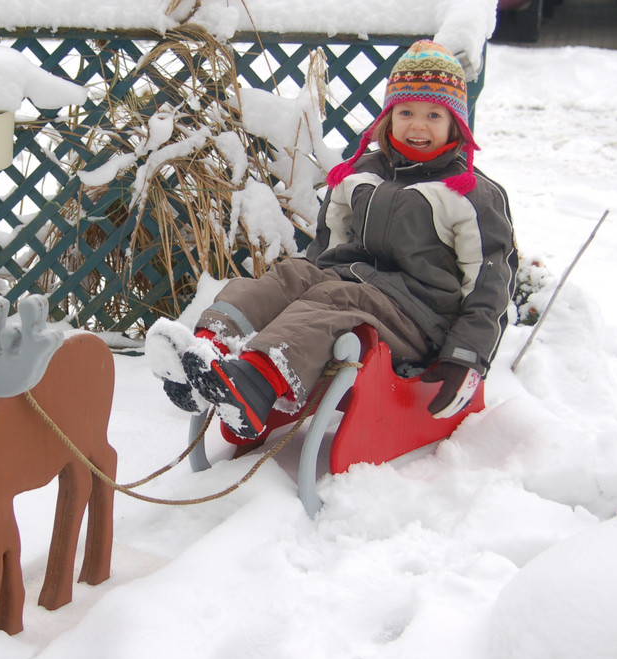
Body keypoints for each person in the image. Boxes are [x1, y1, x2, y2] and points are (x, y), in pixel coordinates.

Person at [146, 40, 518, 440]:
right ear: (388, 119)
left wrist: (464, 357)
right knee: (292, 275)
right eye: (406, 112)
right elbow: (328, 249)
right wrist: (306, 283)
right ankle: (206, 353)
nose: (418, 125)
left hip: (419, 320)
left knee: (336, 299)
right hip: (351, 288)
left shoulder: (469, 194)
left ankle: (256, 381)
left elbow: (489, 285)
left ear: (456, 125)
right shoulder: (361, 174)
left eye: (433, 114)